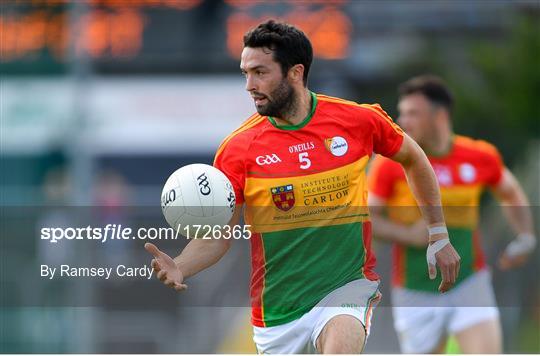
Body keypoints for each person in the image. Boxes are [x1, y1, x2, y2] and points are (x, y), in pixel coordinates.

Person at [144, 21, 460, 354]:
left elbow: (415, 159)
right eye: (245, 74)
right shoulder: (238, 148)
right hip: (278, 314)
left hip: (347, 289)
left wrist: (438, 234)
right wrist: (182, 265)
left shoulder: (358, 121)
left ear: (295, 73)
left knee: (341, 341)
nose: (250, 85)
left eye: (260, 72)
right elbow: (219, 235)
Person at [367, 75, 537, 354]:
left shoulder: (479, 155)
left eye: (413, 113)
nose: (403, 121)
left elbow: (511, 193)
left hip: (470, 284)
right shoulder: (389, 164)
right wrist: (407, 234)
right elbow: (367, 218)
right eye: (402, 112)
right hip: (414, 291)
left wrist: (526, 236)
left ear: (439, 116)